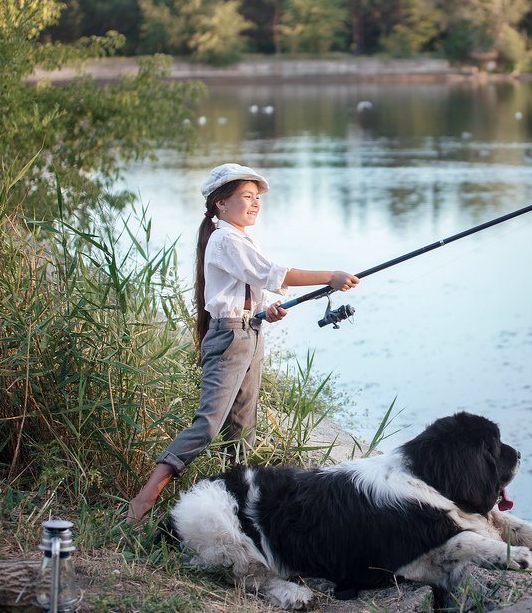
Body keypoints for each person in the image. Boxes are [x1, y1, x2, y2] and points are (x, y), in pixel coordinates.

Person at [127, 163, 359, 523]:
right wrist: (330, 275)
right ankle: (144, 499)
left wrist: (266, 310)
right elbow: (273, 273)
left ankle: (235, 508)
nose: (255, 204)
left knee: (242, 429)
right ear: (221, 203)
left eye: (257, 198)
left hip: (249, 332)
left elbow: (248, 289)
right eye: (246, 197)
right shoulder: (225, 239)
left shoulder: (239, 238)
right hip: (231, 337)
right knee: (208, 425)